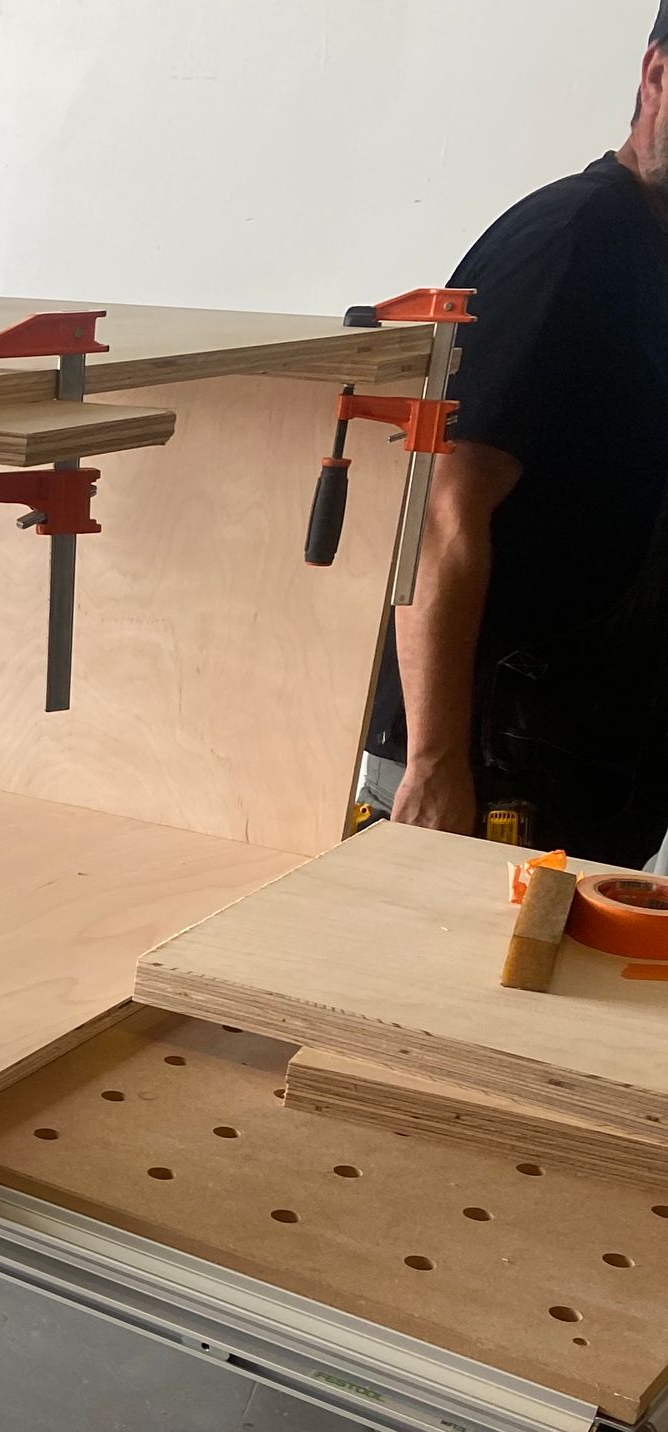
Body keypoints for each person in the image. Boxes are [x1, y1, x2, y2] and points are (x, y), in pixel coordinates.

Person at [373, 7, 668, 866]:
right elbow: (441, 502)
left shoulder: (650, 259)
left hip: (585, 773)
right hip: (486, 774)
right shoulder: (574, 243)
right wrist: (434, 765)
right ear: (656, 77)